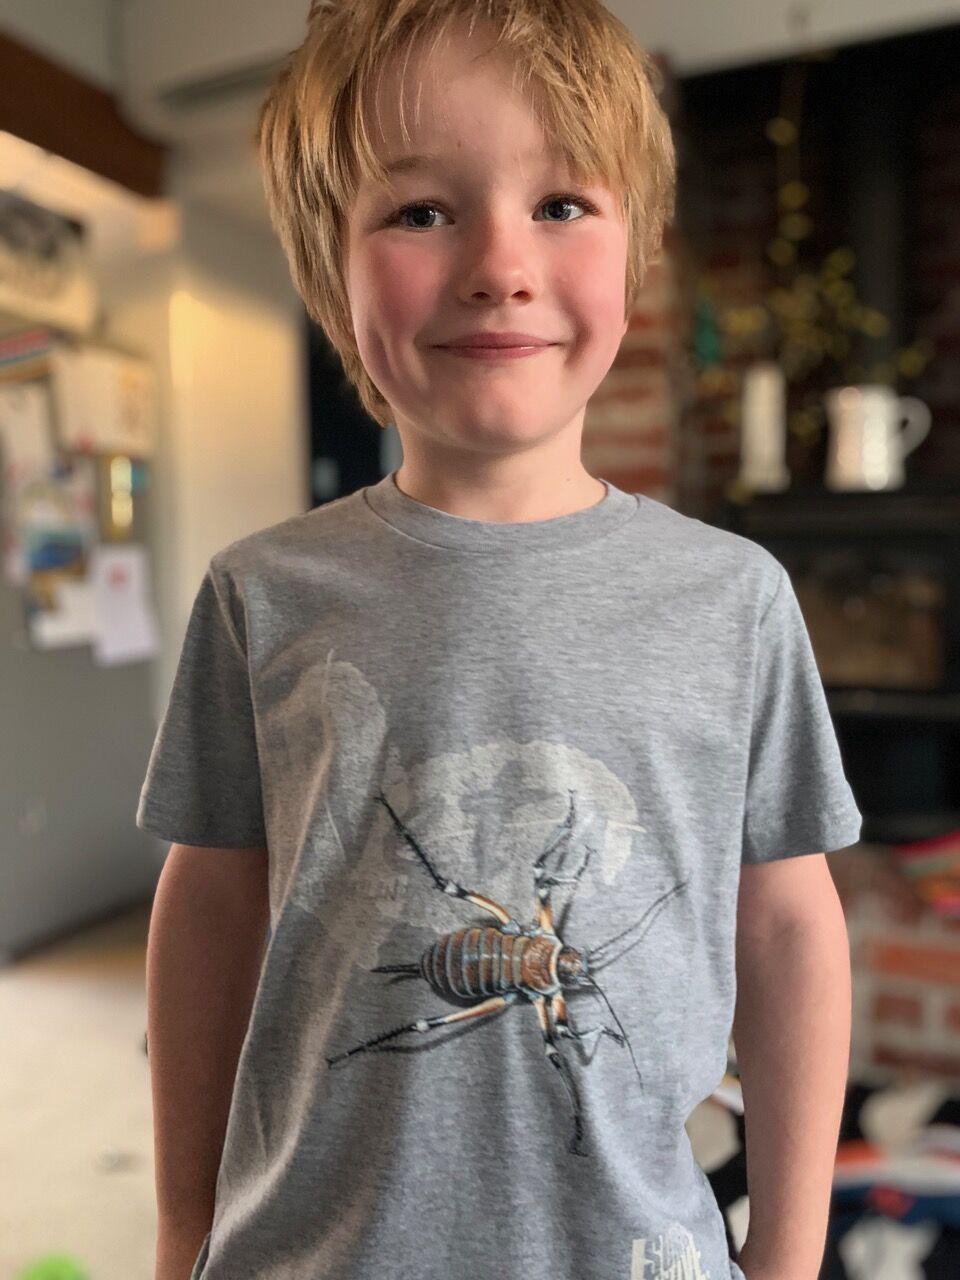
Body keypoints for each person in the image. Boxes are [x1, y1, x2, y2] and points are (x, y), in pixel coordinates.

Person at [139, 2, 862, 1278]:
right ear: (330, 267)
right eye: (420, 211)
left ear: (634, 250)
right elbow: (210, 902)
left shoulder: (735, 597)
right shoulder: (262, 590)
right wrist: (182, 1230)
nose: (499, 264)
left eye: (563, 204)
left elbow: (789, 929)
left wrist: (791, 1255)